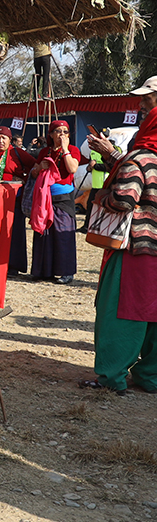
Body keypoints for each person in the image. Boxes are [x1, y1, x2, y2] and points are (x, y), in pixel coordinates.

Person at [80, 76, 157, 395]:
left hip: (135, 248)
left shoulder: (142, 154)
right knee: (153, 315)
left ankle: (111, 376)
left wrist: (101, 198)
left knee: (121, 312)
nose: (140, 106)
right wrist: (113, 156)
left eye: (147, 101)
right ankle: (150, 376)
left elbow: (125, 198)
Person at [29, 119, 86, 284]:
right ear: (51, 134)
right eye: (58, 131)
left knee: (62, 234)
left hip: (63, 198)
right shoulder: (44, 152)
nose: (62, 135)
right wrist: (40, 168)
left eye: (65, 132)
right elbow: (33, 172)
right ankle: (43, 271)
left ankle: (66, 272)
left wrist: (66, 149)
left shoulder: (73, 150)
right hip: (44, 197)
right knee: (43, 233)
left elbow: (72, 168)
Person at [0, 126, 37, 274]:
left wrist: (24, 179)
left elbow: (35, 167)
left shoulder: (17, 153)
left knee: (14, 231)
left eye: (3, 138)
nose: (0, 141)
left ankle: (13, 266)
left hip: (13, 200)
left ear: (9, 140)